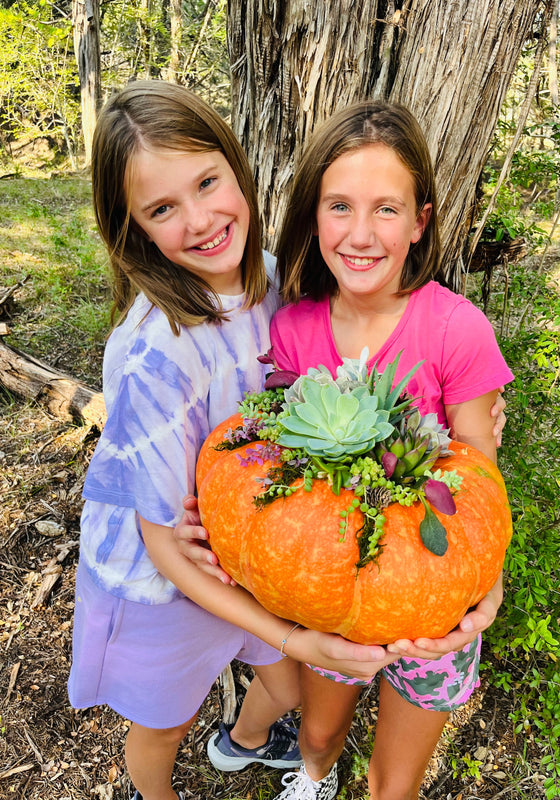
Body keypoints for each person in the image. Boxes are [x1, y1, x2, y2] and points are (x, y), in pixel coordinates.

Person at [67, 81, 408, 800]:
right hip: (166, 582)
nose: (199, 219)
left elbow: (337, 371)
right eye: (162, 208)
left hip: (250, 552)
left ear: (236, 166)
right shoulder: (153, 352)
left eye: (207, 182)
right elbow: (164, 542)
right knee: (164, 719)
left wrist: (462, 414)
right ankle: (150, 792)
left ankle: (243, 741)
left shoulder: (275, 285)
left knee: (282, 687)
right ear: (133, 229)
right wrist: (294, 638)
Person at [257, 101, 515, 800]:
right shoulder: (294, 331)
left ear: (422, 220)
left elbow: (479, 480)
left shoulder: (456, 330)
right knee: (317, 735)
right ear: (314, 215)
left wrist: (482, 588)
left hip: (435, 611)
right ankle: (312, 778)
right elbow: (282, 472)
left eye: (388, 210)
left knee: (394, 785)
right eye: (340, 206)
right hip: (333, 599)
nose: (362, 234)